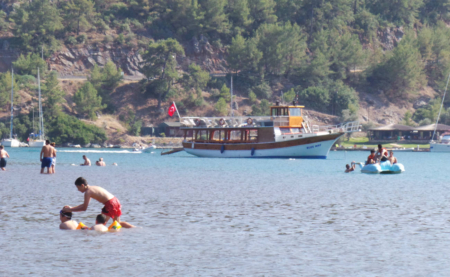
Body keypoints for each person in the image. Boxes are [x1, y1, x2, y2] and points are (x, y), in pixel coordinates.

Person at [63, 177, 135, 228]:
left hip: (110, 204)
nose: (78, 190)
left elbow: (84, 208)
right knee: (117, 223)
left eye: (78, 188)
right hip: (116, 200)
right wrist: (71, 208)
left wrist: (70, 210)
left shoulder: (88, 192)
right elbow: (84, 205)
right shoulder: (92, 188)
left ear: (82, 185)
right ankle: (134, 228)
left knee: (100, 225)